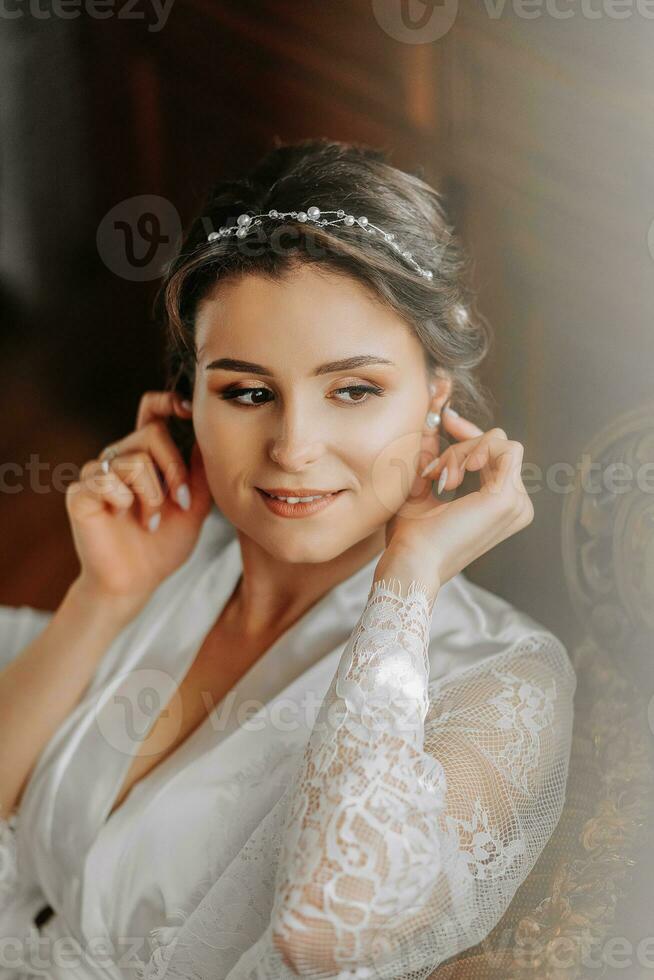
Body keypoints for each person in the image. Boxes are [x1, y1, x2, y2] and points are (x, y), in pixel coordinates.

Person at [0, 138, 576, 980]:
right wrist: (104, 598)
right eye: (247, 392)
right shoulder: (177, 565)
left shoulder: (506, 678)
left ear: (434, 399)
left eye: (353, 390)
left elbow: (324, 936)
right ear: (187, 399)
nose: (295, 448)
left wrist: (408, 573)